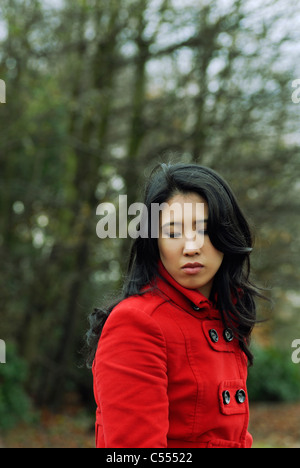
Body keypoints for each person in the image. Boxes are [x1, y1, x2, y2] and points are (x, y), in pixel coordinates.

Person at [86, 162, 265, 448]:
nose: (191, 246)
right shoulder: (135, 323)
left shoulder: (228, 316)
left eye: (205, 230)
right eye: (172, 232)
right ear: (153, 241)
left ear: (227, 234)